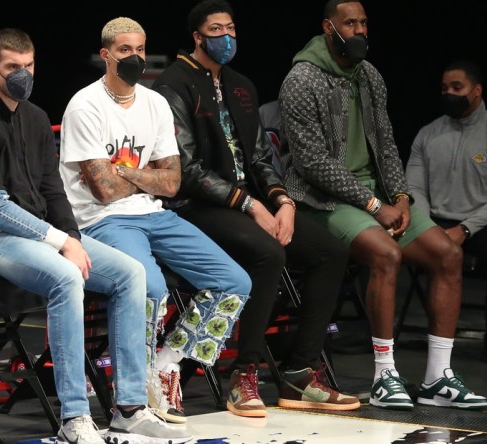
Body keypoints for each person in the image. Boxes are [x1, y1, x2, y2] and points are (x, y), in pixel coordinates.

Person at [0, 27, 190, 444]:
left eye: (29, 66)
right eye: (12, 67)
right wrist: (62, 242)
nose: (23, 74)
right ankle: (74, 417)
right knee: (66, 275)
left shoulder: (33, 117)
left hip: (32, 230)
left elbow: (53, 190)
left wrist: (71, 235)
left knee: (130, 273)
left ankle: (128, 407)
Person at [278, 0, 487, 410]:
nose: (359, 30)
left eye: (363, 23)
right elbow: (312, 162)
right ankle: (384, 374)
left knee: (447, 253)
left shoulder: (369, 76)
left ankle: (437, 378)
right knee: (386, 254)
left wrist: (401, 196)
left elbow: (387, 144)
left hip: (375, 195)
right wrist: (375, 204)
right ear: (329, 27)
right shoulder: (301, 80)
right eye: (350, 23)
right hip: (321, 200)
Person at [151, 0, 360, 417]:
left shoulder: (241, 85)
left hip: (249, 204)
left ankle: (299, 372)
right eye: (216, 29)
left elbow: (262, 157)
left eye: (231, 28)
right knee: (268, 253)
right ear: (197, 36)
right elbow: (186, 169)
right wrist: (249, 204)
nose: (226, 37)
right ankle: (243, 375)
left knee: (331, 250)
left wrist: (282, 201)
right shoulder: (172, 86)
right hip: (196, 206)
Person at [60, 16, 252, 424]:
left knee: (235, 281)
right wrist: (145, 175)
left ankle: (164, 366)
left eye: (141, 49)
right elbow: (104, 192)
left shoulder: (155, 103)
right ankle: (134, 393)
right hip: (102, 221)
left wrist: (125, 171)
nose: (136, 57)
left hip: (154, 214)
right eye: (125, 50)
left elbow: (173, 181)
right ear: (106, 55)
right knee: (150, 287)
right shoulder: (85, 105)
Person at [406, 60, 487, 366]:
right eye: (444, 88)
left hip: (480, 223)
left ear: (477, 91)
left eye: (456, 88)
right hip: (434, 222)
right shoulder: (427, 134)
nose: (449, 93)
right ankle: (380, 333)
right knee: (383, 234)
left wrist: (464, 229)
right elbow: (413, 189)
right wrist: (427, 228)